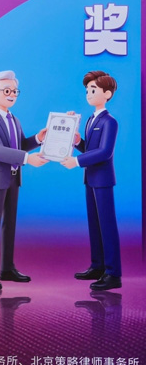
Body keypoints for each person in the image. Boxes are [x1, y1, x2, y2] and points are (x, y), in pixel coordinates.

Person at [0, 71, 47, 290]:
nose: (11, 95)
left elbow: (20, 145)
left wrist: (38, 139)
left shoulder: (14, 120)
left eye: (15, 91)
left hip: (14, 178)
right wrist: (27, 159)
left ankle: (7, 268)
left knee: (10, 224)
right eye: (7, 90)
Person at [61, 71, 121, 291]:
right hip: (90, 178)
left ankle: (113, 273)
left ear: (107, 94)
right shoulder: (90, 119)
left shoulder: (110, 122)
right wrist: (78, 141)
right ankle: (97, 266)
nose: (88, 93)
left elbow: (105, 152)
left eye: (93, 89)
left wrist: (76, 161)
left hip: (103, 180)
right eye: (87, 90)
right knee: (94, 225)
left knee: (107, 225)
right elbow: (90, 149)